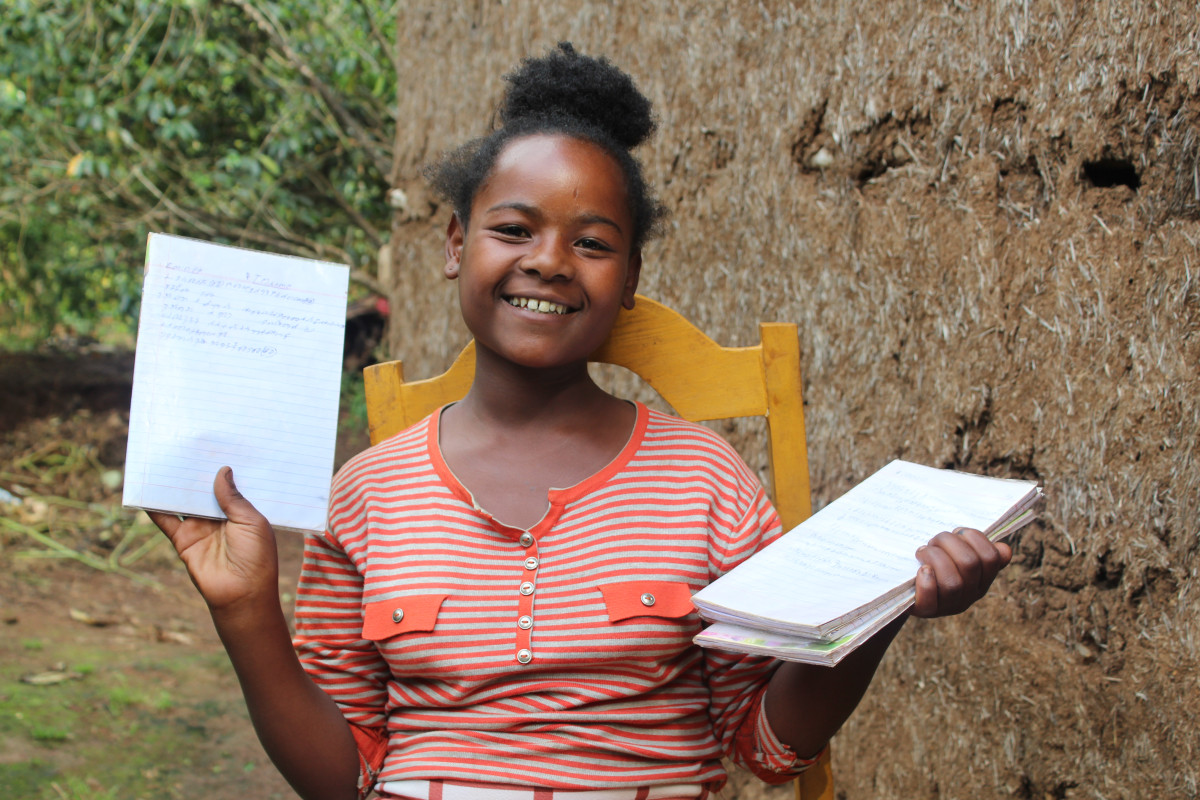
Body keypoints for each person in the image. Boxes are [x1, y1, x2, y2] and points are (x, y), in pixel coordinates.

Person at [151, 43, 1011, 800]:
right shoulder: (370, 493)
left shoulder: (706, 483)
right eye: (513, 228)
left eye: (593, 244)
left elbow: (766, 747)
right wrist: (247, 612)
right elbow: (342, 777)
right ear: (456, 246)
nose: (550, 261)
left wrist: (876, 613)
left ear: (631, 276)